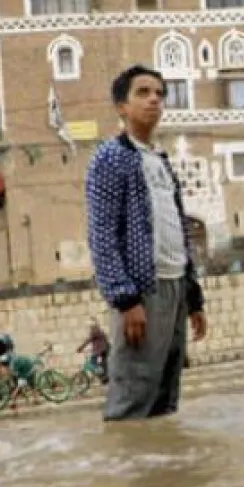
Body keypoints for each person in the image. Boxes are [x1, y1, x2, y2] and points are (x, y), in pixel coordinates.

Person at [86, 65, 208, 422]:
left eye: (159, 92)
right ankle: (129, 470)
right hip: (142, 294)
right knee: (132, 400)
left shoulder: (159, 160)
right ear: (121, 107)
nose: (154, 99)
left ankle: (162, 473)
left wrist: (193, 295)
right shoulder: (110, 158)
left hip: (175, 289)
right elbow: (101, 233)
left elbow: (177, 231)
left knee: (165, 398)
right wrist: (125, 298)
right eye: (142, 92)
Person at [77, 317, 111, 382]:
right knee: (103, 364)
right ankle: (104, 376)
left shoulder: (94, 330)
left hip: (101, 350)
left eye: (89, 323)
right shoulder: (98, 329)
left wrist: (80, 348)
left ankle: (102, 375)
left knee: (93, 362)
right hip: (104, 349)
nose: (88, 325)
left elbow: (88, 340)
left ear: (92, 323)